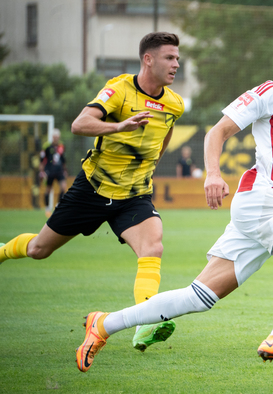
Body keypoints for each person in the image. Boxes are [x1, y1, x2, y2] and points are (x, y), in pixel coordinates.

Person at [74, 21, 273, 372]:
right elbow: (217, 132)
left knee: (199, 297)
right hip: (260, 198)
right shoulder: (272, 93)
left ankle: (103, 324)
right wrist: (213, 174)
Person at [0, 32, 184, 353]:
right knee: (38, 249)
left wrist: (153, 157)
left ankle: (145, 324)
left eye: (177, 58)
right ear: (148, 59)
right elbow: (80, 123)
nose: (176, 64)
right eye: (170, 58)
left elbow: (164, 133)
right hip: (92, 189)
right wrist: (118, 127)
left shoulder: (174, 103)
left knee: (152, 247)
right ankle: (2, 251)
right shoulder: (119, 89)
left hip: (134, 194)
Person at [39, 128, 68, 217]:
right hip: (49, 170)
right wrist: (41, 171)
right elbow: (42, 159)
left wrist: (65, 170)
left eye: (57, 136)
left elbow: (62, 159)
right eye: (54, 136)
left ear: (58, 137)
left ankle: (58, 205)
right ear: (52, 137)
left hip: (59, 171)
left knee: (63, 187)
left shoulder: (61, 146)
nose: (56, 138)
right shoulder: (47, 146)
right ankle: (47, 208)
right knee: (48, 189)